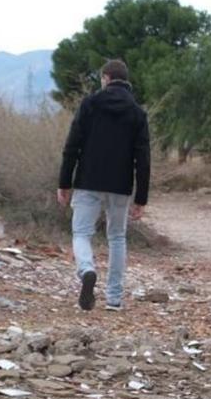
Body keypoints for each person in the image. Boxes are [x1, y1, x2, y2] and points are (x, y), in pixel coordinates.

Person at [56, 59, 151, 311]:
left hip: (88, 181)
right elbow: (143, 158)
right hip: (120, 185)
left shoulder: (89, 104)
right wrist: (141, 197)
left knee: (81, 233)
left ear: (106, 78)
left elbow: (72, 146)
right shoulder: (137, 113)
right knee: (117, 237)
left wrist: (64, 182)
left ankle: (87, 270)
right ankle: (114, 299)